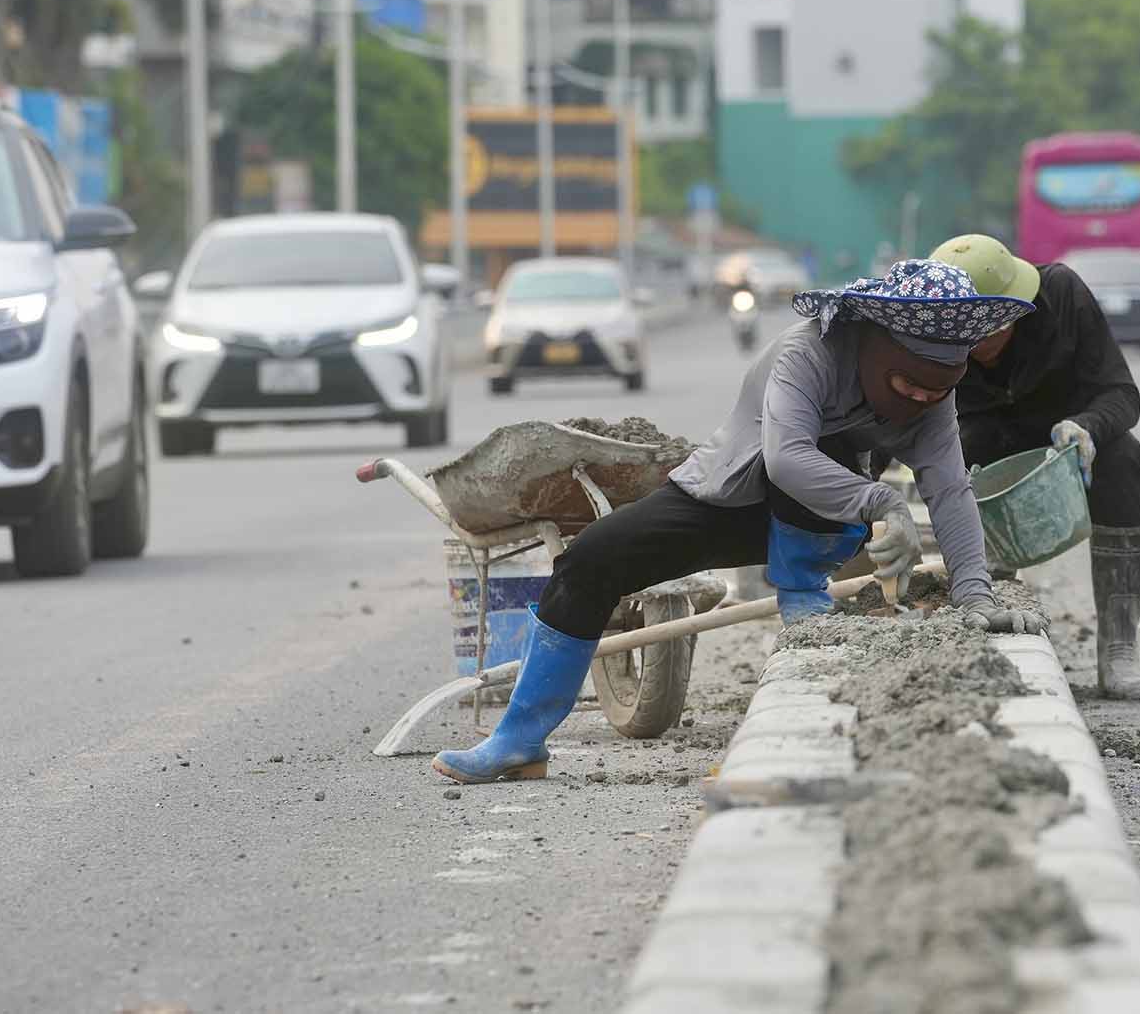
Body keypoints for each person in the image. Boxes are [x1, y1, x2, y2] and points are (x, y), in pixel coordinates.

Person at [433, 259, 1040, 784]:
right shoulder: (811, 354)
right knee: (587, 560)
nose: (920, 404)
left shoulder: (931, 399)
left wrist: (974, 595)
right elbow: (785, 458)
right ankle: (519, 739)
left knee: (837, 458)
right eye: (908, 385)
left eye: (939, 393)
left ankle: (805, 605)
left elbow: (950, 488)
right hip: (730, 495)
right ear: (881, 346)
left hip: (816, 527)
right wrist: (881, 503)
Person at [929, 235, 1140, 701]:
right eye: (966, 335)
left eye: (991, 329)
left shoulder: (1060, 296)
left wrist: (1088, 427)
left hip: (1065, 438)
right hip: (982, 442)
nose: (979, 345)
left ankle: (1118, 646)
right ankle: (988, 607)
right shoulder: (927, 330)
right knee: (959, 456)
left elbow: (1121, 393)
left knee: (1126, 459)